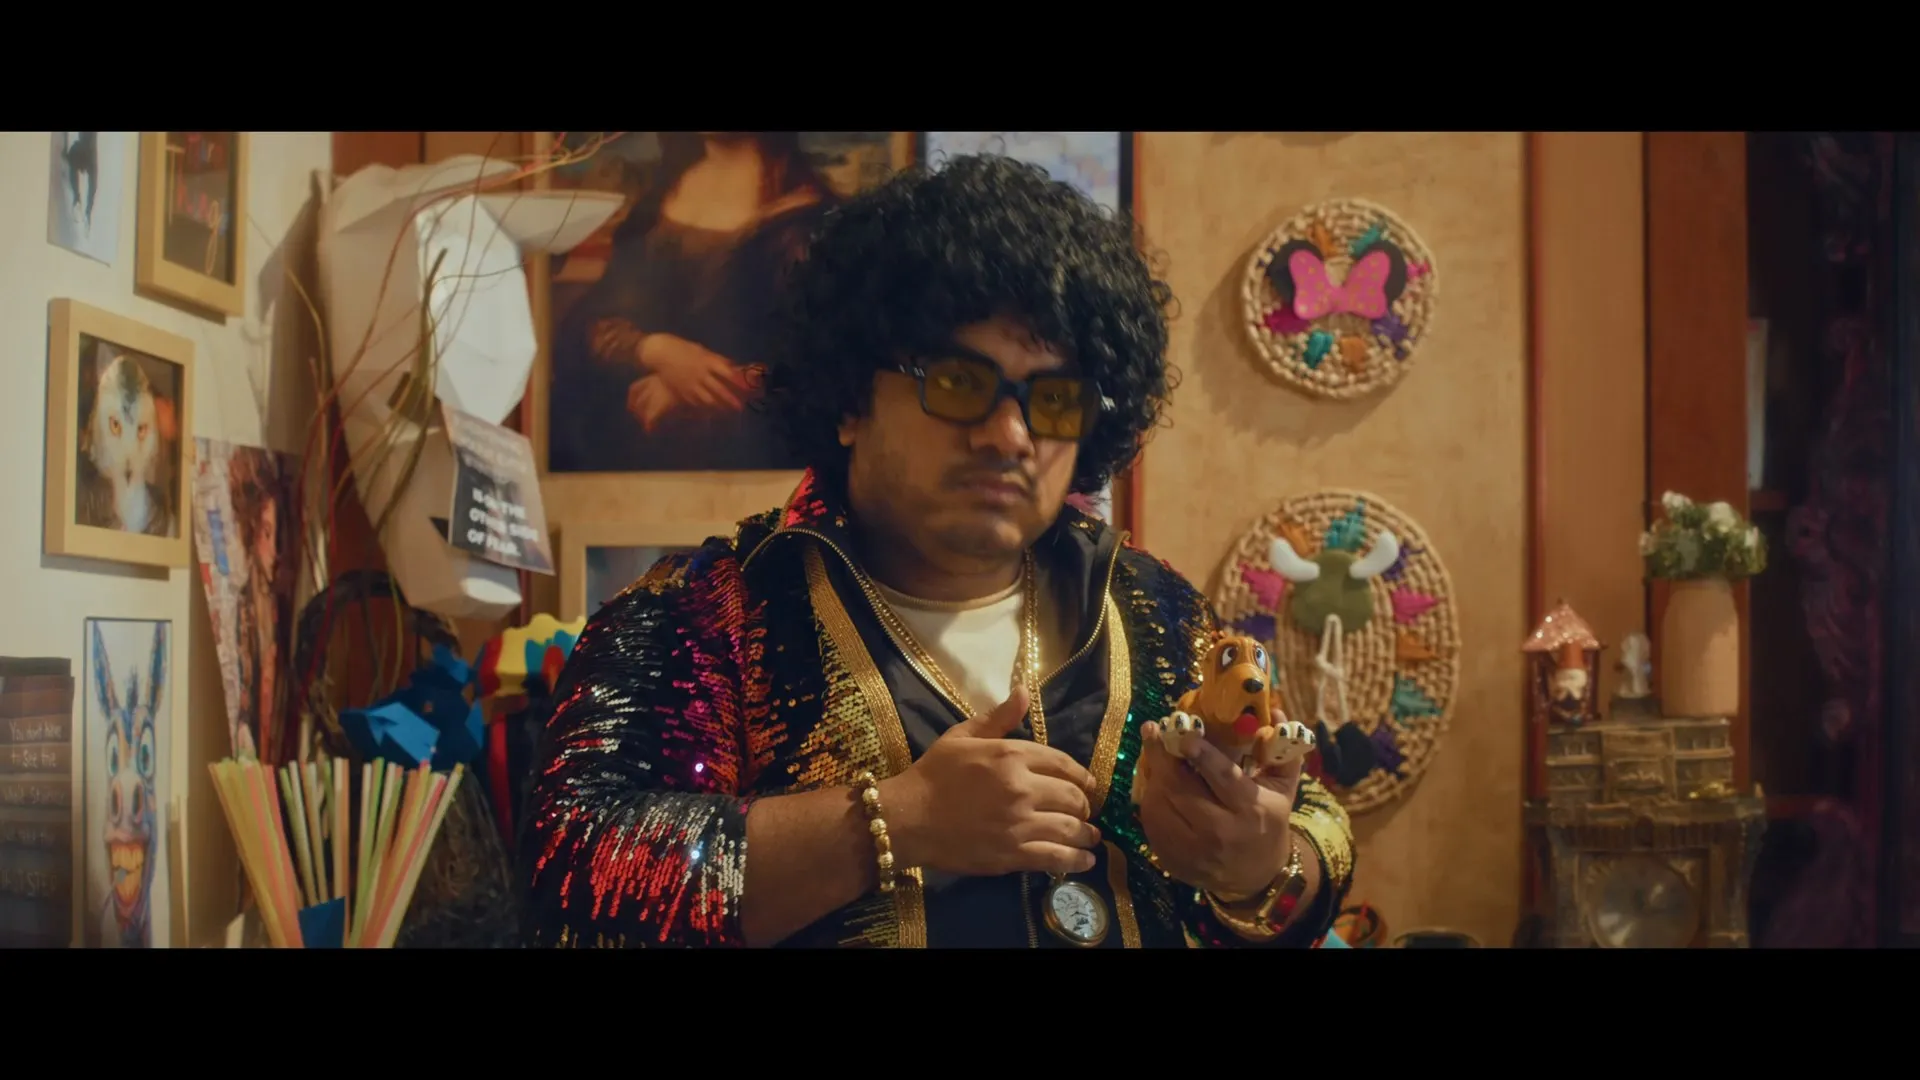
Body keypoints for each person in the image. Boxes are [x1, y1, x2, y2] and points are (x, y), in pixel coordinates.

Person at [522, 154, 1355, 948]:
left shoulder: (1154, 608)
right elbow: (572, 870)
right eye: (959, 383)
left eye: (1054, 400)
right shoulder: (705, 614)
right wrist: (891, 823)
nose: (1010, 436)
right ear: (850, 400)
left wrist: (1259, 868)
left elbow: (1312, 827)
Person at [546, 132, 839, 473]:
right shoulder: (658, 203)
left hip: (746, 464)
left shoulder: (803, 222)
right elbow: (589, 323)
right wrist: (655, 350)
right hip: (624, 458)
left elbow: (816, 367)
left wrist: (692, 390)